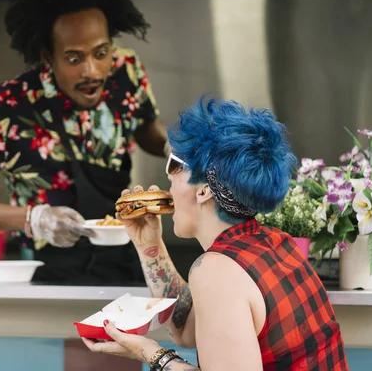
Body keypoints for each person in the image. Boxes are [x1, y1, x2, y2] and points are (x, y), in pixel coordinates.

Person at [0, 0, 168, 285]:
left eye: (101, 53)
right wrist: (34, 218)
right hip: (47, 274)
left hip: (127, 259)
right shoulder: (8, 106)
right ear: (49, 57)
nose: (91, 71)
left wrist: (172, 146)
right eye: (74, 58)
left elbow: (146, 131)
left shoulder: (125, 71)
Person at [83, 98, 349, 370]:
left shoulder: (217, 272)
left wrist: (151, 353)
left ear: (203, 190)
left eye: (175, 165)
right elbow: (185, 330)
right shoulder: (274, 242)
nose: (170, 179)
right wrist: (149, 245)